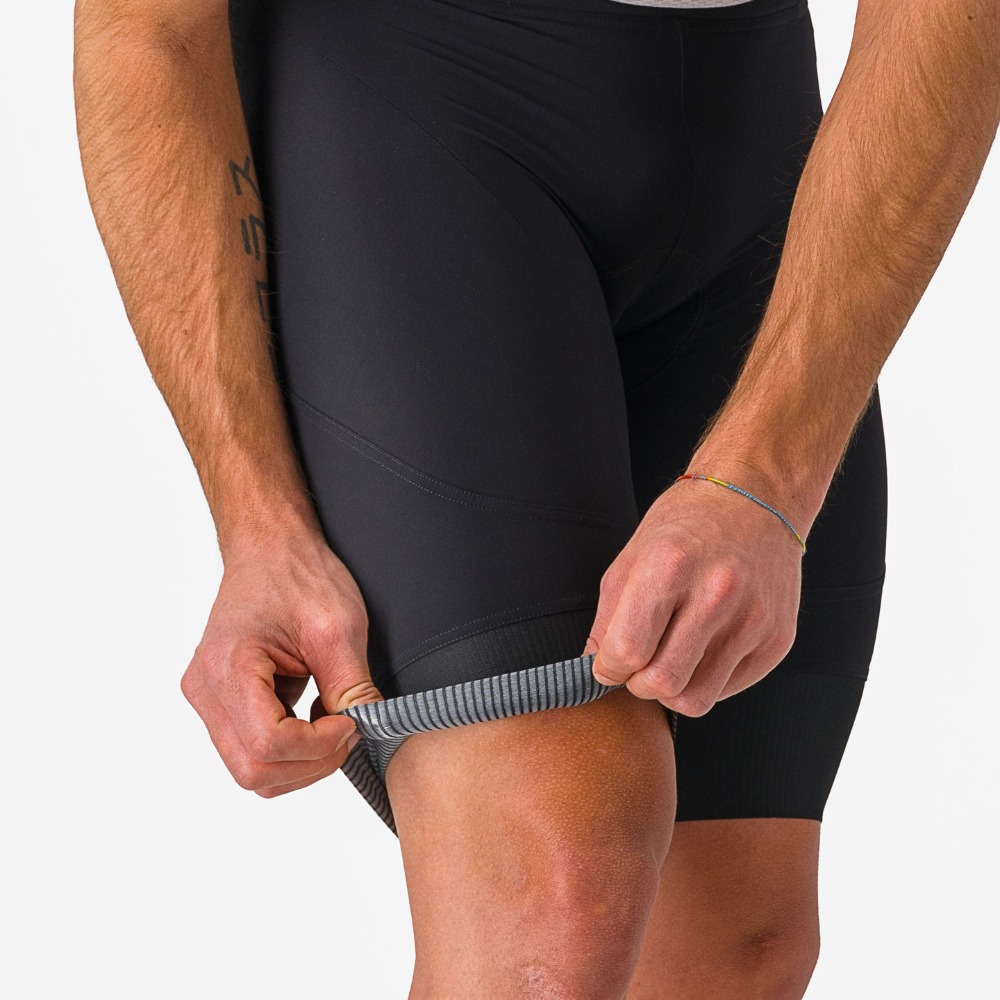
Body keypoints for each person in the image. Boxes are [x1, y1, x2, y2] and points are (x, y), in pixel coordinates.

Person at [73, 0, 998, 995]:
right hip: (410, 111)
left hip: (752, 119)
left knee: (731, 949)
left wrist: (762, 484)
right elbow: (147, 32)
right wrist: (260, 522)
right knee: (552, 909)